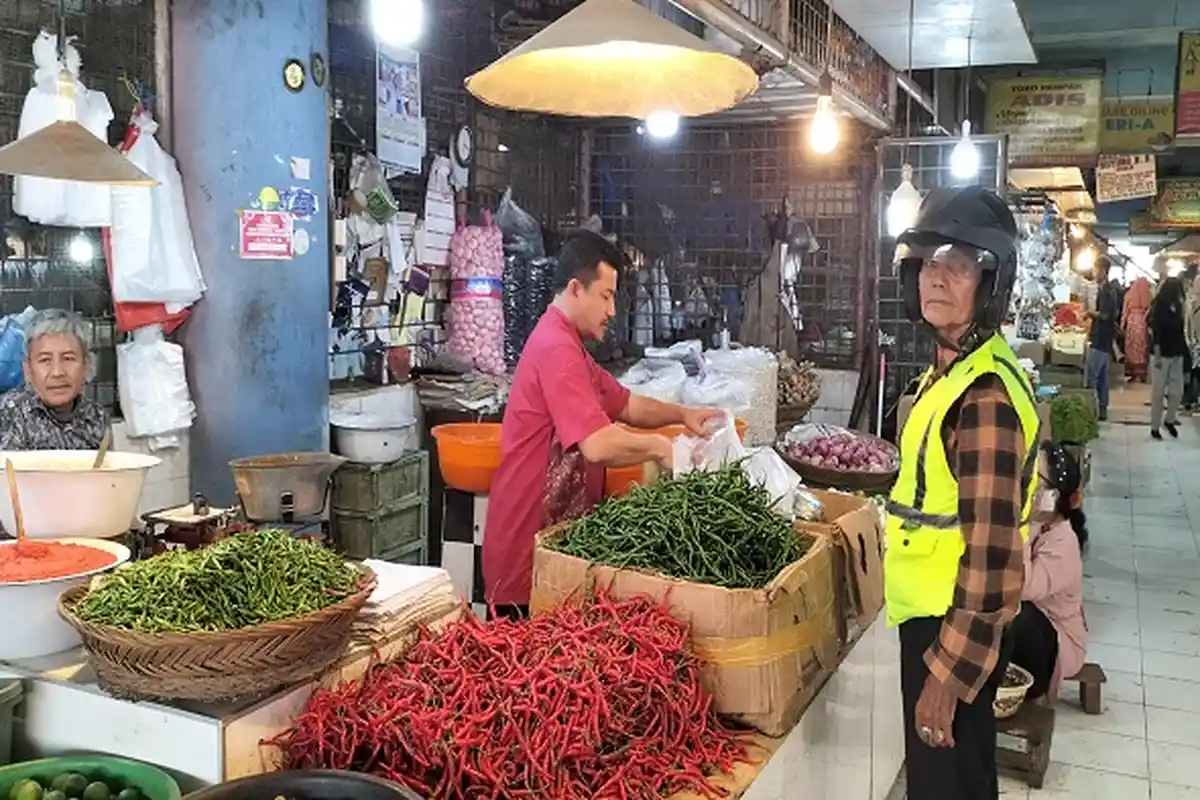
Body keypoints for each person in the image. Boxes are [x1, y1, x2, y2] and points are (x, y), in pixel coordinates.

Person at [886, 186, 1039, 800]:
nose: (937, 275)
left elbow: (991, 555)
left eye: (959, 261)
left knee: (948, 789)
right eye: (928, 260)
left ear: (991, 283)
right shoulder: (950, 372)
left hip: (950, 630)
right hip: (929, 618)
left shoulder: (985, 400)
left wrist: (946, 676)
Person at [481, 231, 722, 620]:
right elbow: (596, 443)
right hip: (526, 559)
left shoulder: (569, 346)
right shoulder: (556, 348)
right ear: (577, 289)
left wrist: (682, 415)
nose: (612, 311)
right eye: (606, 296)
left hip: (552, 551)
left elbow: (625, 403)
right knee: (522, 672)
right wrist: (662, 449)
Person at [1010, 442, 1088, 704]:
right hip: (1035, 632)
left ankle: (1032, 690)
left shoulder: (1063, 541)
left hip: (1056, 641)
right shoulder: (1037, 525)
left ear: (1053, 496)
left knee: (1016, 610)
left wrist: (1020, 526)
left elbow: (1021, 587)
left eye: (1035, 478)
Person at [0, 308, 108, 451]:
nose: (57, 372)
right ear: (28, 370)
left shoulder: (97, 419)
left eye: (68, 358)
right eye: (45, 360)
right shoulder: (8, 413)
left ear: (86, 366)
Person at [1149, 276, 1188, 439]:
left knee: (1177, 391)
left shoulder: (1179, 307)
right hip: (1161, 355)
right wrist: (1157, 355)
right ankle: (1155, 426)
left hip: (1176, 353)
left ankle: (1169, 419)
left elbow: (1181, 331)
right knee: (1158, 392)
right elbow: (1156, 332)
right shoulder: (1159, 307)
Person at [1085, 256, 1119, 421]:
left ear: (1103, 271)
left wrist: (1089, 313)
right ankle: (1102, 408)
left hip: (1101, 338)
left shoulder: (1106, 291)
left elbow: (1105, 315)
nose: (1093, 272)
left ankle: (1092, 409)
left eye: (1096, 269)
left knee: (1093, 375)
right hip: (1105, 338)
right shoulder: (1108, 289)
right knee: (1103, 376)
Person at [1121, 276, 1153, 383]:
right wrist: (1145, 319)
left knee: (1131, 348)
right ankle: (1142, 372)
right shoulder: (1148, 295)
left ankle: (1132, 372)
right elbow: (1150, 309)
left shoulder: (1129, 294)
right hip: (1142, 323)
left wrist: (1122, 324)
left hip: (1131, 323)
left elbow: (1125, 311)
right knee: (1142, 348)